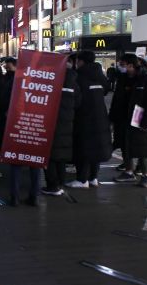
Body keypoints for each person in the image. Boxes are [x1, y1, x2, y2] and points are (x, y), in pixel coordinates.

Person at [66, 51, 112, 189]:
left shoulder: (78, 76)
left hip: (84, 117)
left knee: (83, 148)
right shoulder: (99, 76)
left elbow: (75, 100)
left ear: (80, 61)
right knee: (96, 148)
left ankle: (82, 180)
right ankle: (93, 178)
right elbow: (105, 90)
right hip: (101, 117)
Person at [114, 54, 147, 188]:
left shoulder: (145, 78)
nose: (120, 67)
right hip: (124, 117)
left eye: (122, 64)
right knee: (125, 145)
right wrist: (113, 117)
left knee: (142, 147)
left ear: (130, 65)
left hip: (140, 118)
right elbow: (117, 99)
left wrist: (146, 123)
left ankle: (145, 176)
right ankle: (128, 172)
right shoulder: (123, 78)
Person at [41, 60, 81, 196]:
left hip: (51, 122)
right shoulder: (74, 83)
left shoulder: (52, 82)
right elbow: (78, 102)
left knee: (50, 156)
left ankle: (53, 186)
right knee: (62, 156)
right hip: (67, 123)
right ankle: (60, 183)